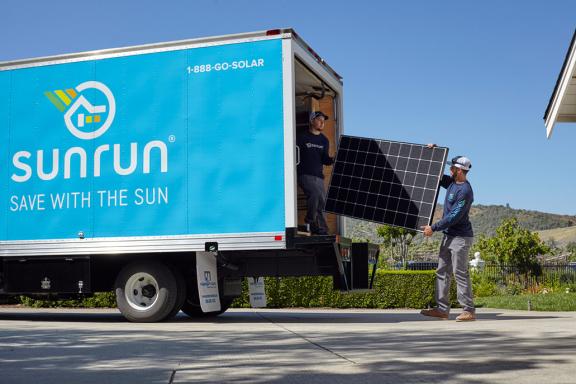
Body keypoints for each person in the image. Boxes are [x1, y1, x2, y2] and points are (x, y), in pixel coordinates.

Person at [420, 152, 476, 321]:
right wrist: (432, 152)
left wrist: (434, 227)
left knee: (459, 272)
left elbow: (453, 217)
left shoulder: (465, 191)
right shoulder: (451, 182)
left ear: (459, 170)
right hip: (448, 236)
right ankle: (442, 309)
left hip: (460, 238)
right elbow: (434, 173)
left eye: (452, 167)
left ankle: (469, 310)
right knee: (442, 271)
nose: (449, 170)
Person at [296, 111, 334, 235]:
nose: (322, 122)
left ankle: (322, 229)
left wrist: (333, 159)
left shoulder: (324, 140)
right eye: (319, 119)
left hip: (318, 177)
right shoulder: (301, 137)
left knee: (322, 202)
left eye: (324, 120)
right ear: (312, 120)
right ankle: (309, 221)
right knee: (316, 194)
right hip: (304, 174)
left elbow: (325, 160)